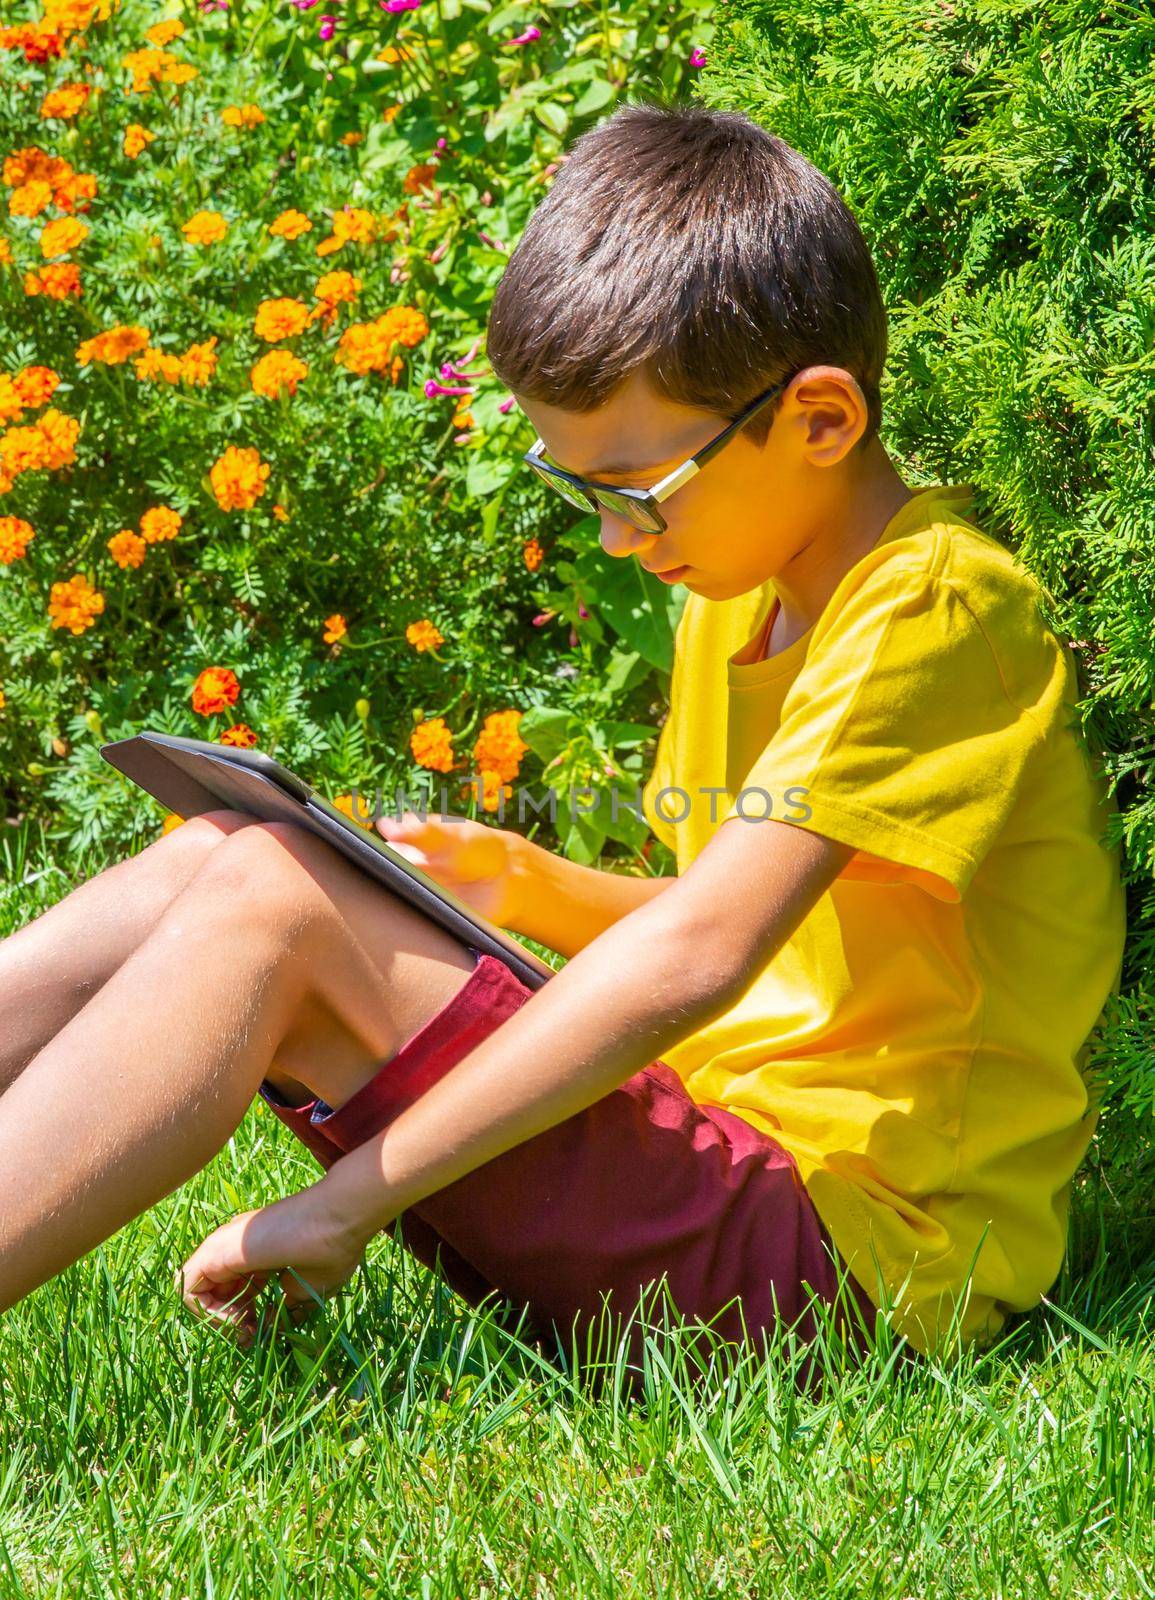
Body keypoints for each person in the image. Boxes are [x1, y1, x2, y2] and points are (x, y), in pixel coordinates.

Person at [0, 103, 1126, 1373]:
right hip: (727, 1147)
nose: (612, 539)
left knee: (273, 895)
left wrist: (344, 1197)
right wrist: (529, 887)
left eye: (634, 492)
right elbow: (757, 920)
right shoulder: (747, 588)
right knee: (224, 843)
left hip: (859, 1261)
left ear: (820, 420)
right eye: (578, 493)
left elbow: (700, 956)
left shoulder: (935, 608)